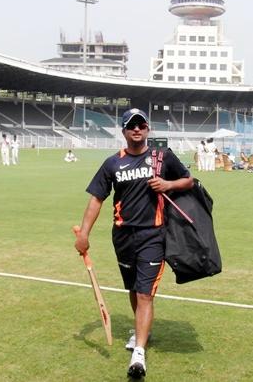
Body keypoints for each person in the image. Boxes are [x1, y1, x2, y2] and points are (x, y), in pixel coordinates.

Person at [74, 108, 193, 378]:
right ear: (124, 131)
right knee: (132, 288)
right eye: (131, 125)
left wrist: (167, 185)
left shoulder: (163, 158)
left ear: (148, 129)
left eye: (141, 125)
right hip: (123, 236)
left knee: (144, 293)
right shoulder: (112, 163)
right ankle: (142, 331)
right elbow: (96, 199)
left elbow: (189, 181)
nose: (136, 129)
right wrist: (84, 234)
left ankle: (138, 353)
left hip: (153, 235)